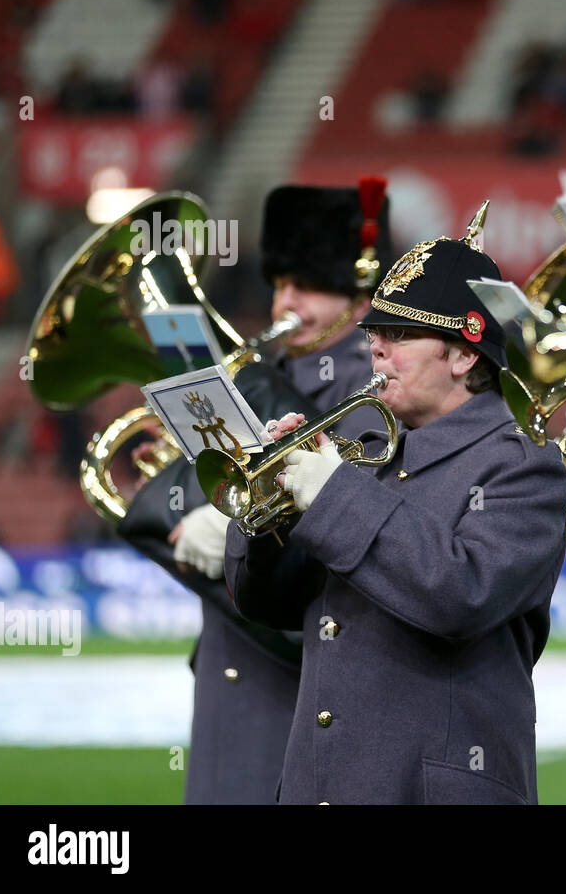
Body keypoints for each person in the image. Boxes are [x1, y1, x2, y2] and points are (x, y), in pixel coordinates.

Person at [224, 224, 566, 804]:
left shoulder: (523, 466)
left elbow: (461, 594)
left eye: (399, 333)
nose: (375, 347)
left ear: (463, 352)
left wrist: (331, 495)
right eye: (374, 332)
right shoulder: (366, 453)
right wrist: (273, 509)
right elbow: (267, 605)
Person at [158, 178, 393, 803]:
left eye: (306, 286)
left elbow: (360, 529)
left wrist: (239, 521)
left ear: (358, 290)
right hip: (235, 653)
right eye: (279, 284)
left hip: (293, 680)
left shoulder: (371, 388)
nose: (285, 303)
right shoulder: (266, 373)